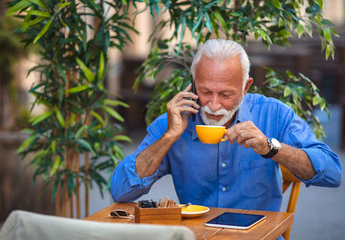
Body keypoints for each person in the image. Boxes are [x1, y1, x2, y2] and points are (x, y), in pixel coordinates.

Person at [110, 39, 342, 211]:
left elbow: (332, 173)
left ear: (246, 87)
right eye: (205, 91)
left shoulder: (274, 114)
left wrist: (271, 147)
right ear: (192, 84)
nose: (213, 105)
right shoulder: (174, 121)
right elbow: (121, 190)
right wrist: (169, 137)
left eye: (226, 94)